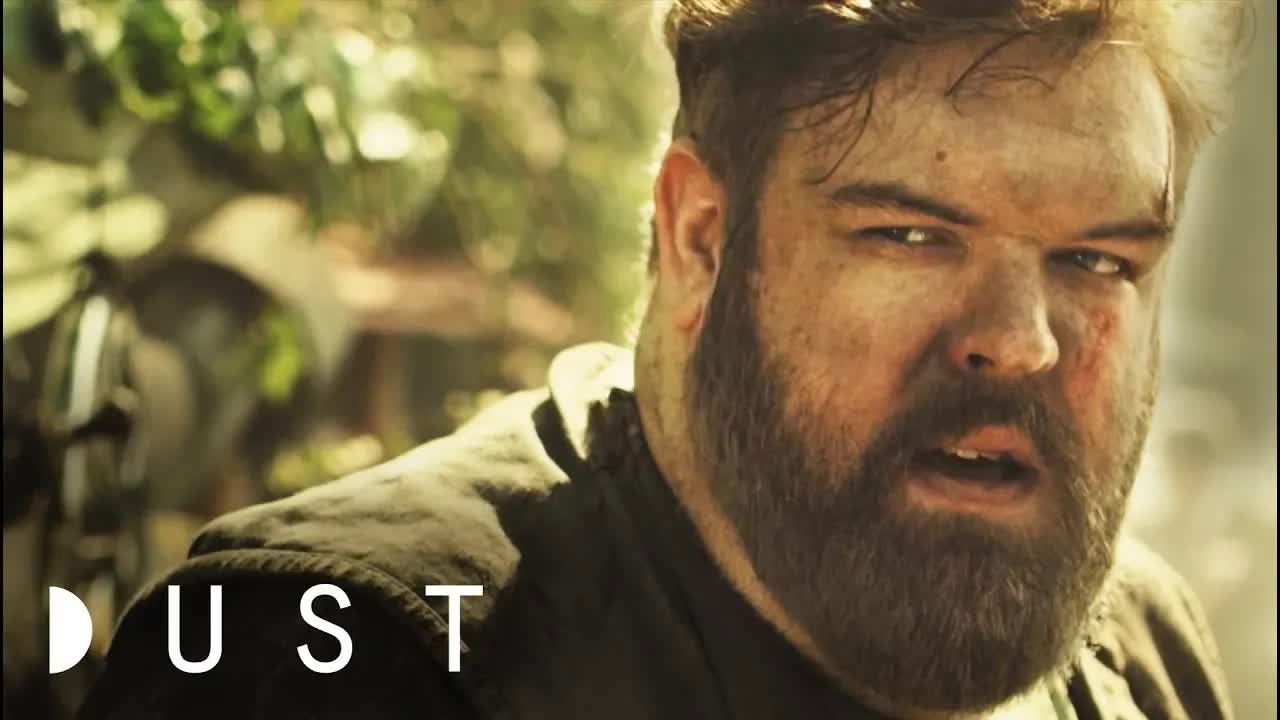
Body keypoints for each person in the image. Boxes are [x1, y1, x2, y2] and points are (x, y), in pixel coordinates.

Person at [78, 1, 1247, 718]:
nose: (1021, 339)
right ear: (698, 237)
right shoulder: (336, 657)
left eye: (1096, 260)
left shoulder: (1134, 650)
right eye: (909, 236)